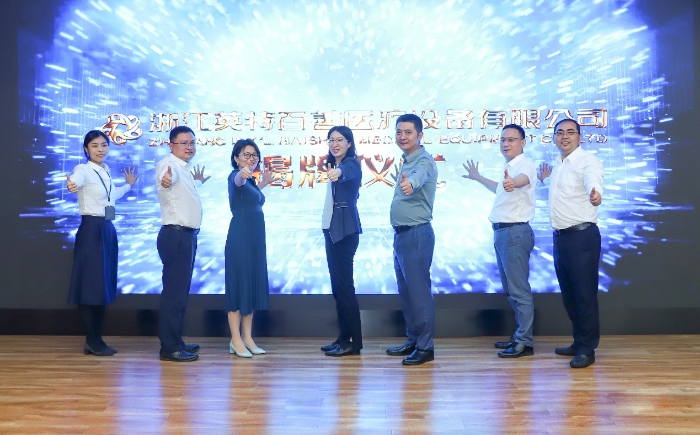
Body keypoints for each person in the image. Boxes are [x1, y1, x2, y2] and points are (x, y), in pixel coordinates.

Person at [462, 124, 537, 358]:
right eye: (503, 139)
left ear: (523, 142)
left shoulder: (524, 166)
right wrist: (478, 177)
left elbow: (522, 180)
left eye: (511, 139)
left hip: (514, 232)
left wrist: (513, 182)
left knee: (519, 290)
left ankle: (525, 341)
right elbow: (500, 189)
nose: (506, 143)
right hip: (504, 233)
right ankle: (520, 335)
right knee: (511, 289)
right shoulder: (509, 167)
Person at [538, 118, 603, 369]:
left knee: (584, 295)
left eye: (570, 132)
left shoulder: (587, 161)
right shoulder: (559, 164)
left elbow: (592, 180)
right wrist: (544, 180)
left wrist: (596, 193)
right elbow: (564, 194)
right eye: (560, 132)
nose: (565, 136)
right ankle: (579, 341)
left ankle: (587, 348)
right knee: (570, 295)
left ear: (580, 137)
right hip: (562, 238)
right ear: (554, 137)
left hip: (581, 237)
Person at [66, 130, 139, 356]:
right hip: (92, 230)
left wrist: (128, 185)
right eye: (95, 145)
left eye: (104, 145)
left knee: (102, 286)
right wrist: (72, 184)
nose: (100, 149)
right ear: (86, 149)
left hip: (107, 229)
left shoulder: (105, 171)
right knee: (91, 286)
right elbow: (76, 181)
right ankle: (92, 340)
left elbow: (111, 196)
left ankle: (96, 339)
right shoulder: (83, 169)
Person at [385, 113, 438, 366]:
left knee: (419, 294)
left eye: (408, 132)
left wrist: (410, 185)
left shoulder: (423, 161)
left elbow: (418, 178)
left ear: (420, 135)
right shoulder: (407, 161)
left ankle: (425, 347)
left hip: (416, 234)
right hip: (403, 235)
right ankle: (414, 339)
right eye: (399, 132)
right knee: (407, 294)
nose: (402, 136)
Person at [156, 125, 210, 362]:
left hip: (185, 236)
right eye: (183, 143)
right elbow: (167, 179)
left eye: (192, 143)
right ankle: (169, 347)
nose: (189, 147)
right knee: (174, 294)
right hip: (176, 236)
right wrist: (167, 180)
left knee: (180, 294)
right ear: (171, 145)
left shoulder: (184, 167)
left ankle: (176, 341)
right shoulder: (169, 165)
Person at [225, 139, 274, 358]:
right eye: (246, 154)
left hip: (254, 239)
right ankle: (235, 339)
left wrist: (262, 184)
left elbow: (250, 198)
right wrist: (242, 174)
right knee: (238, 287)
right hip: (240, 237)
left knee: (250, 287)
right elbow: (238, 181)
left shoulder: (251, 181)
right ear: (236, 158)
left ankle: (247, 337)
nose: (251, 158)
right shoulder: (236, 176)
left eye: (254, 155)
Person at [319, 126, 364, 357]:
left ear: (349, 143)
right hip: (332, 231)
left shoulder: (351, 163)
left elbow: (346, 172)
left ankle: (354, 342)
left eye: (340, 140)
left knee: (345, 288)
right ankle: (343, 337)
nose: (335, 144)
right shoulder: (334, 164)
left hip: (344, 233)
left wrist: (337, 173)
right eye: (331, 140)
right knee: (338, 288)